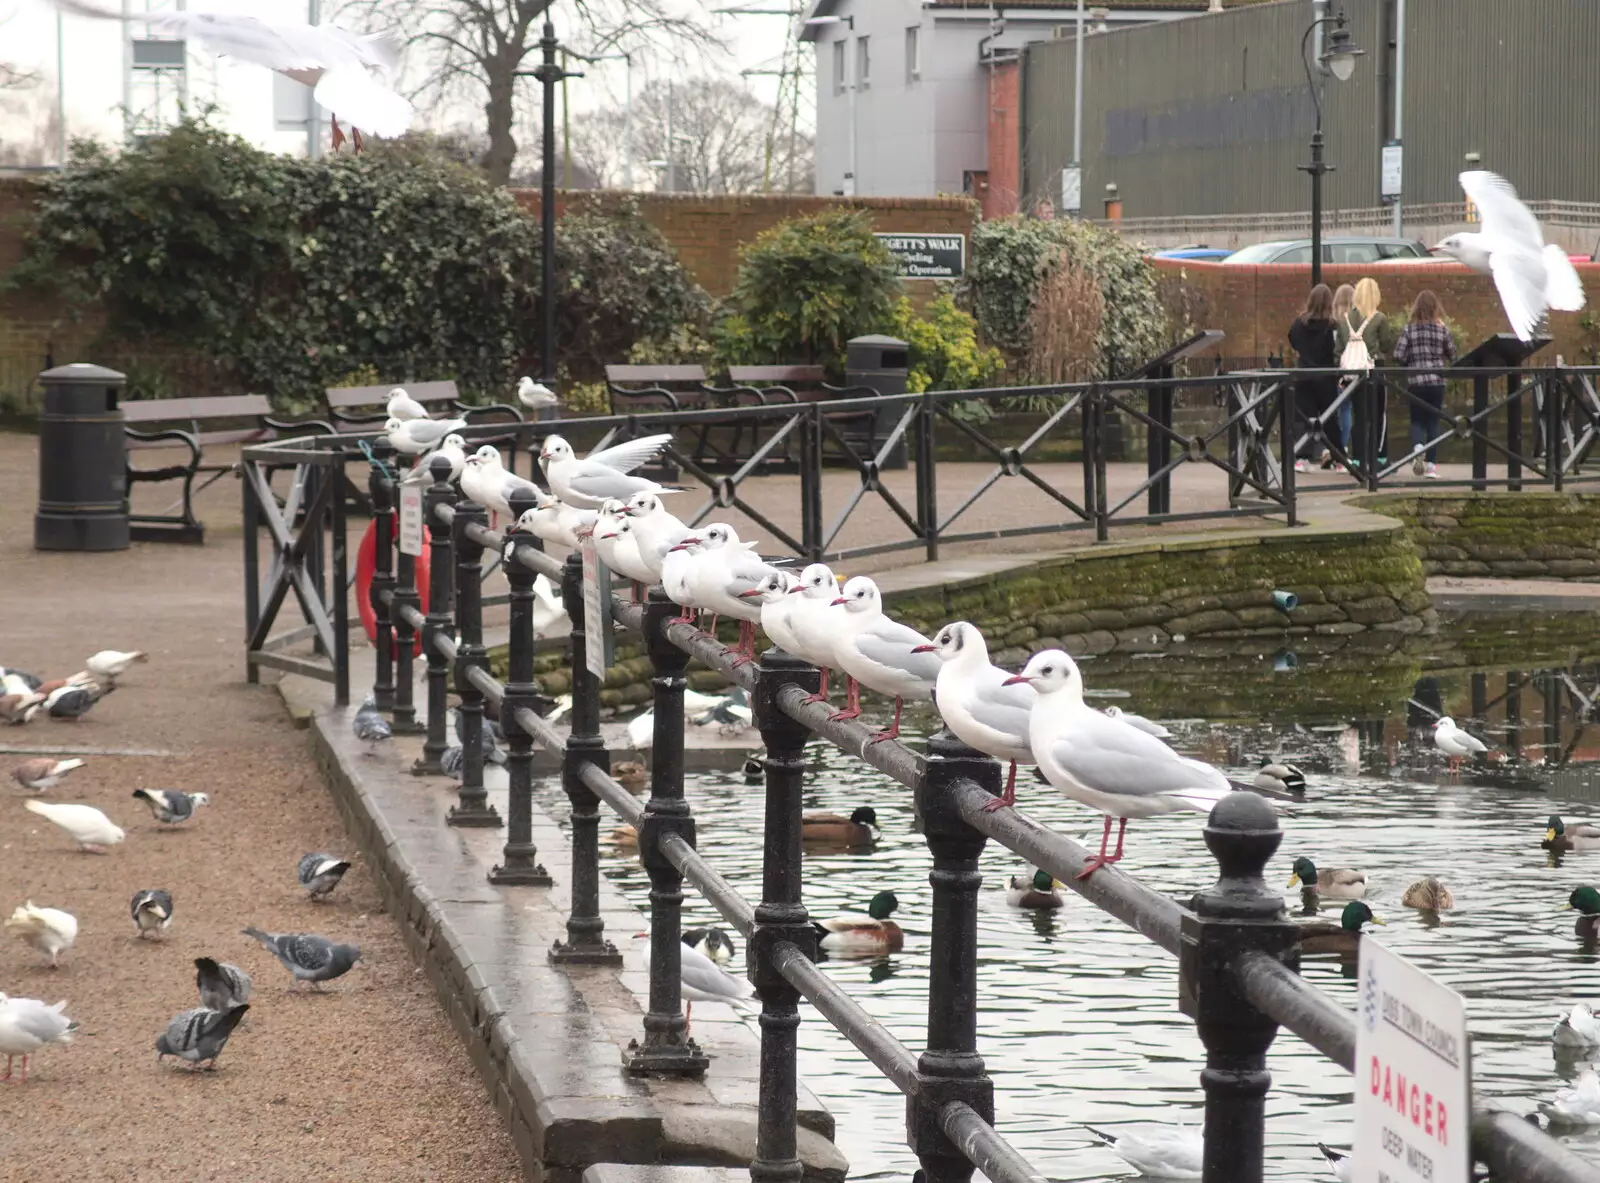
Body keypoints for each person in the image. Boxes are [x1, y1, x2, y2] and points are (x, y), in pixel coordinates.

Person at [1393, 289, 1455, 479]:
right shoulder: (1442, 329)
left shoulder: (1409, 329)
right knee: (1434, 421)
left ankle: (1418, 447)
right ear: (1435, 308)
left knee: (1417, 420)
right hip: (1437, 381)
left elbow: (1398, 354)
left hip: (1416, 381)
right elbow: (1453, 354)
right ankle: (1431, 466)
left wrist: (1410, 363)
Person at [1334, 278, 1390, 466]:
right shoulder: (1379, 318)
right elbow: (1386, 345)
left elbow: (1338, 350)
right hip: (1374, 372)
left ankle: (1358, 458)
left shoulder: (1345, 319)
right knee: (1378, 416)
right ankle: (1378, 457)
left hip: (1352, 374)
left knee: (1359, 416)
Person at [1288, 284, 1339, 471]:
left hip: (1303, 375)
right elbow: (1334, 350)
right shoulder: (1332, 326)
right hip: (1325, 377)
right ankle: (1337, 456)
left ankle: (1301, 458)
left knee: (1304, 420)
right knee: (1330, 419)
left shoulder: (1298, 324)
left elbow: (1292, 340)